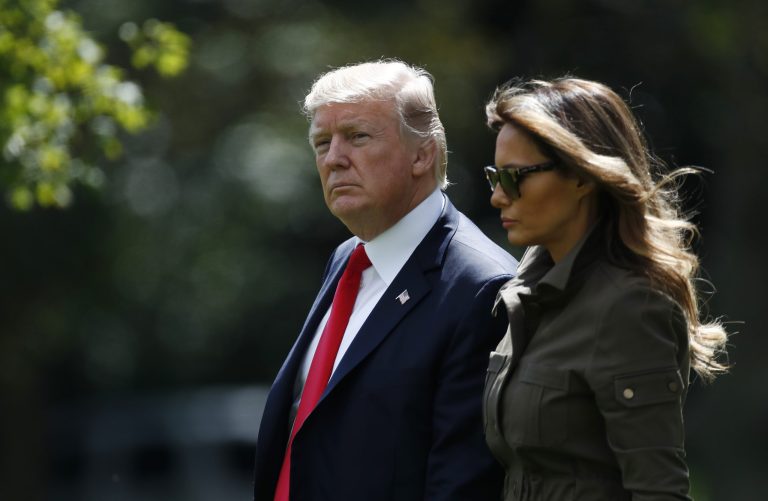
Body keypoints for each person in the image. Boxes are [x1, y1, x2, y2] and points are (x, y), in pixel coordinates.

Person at [253, 60, 517, 501]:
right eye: (322, 142)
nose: (334, 158)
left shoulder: (481, 287)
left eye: (357, 137)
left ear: (422, 154)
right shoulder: (347, 259)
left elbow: (462, 485)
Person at [481, 77, 729, 500]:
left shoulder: (631, 305)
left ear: (582, 177)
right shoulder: (524, 296)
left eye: (515, 177)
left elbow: (659, 490)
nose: (498, 197)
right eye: (494, 176)